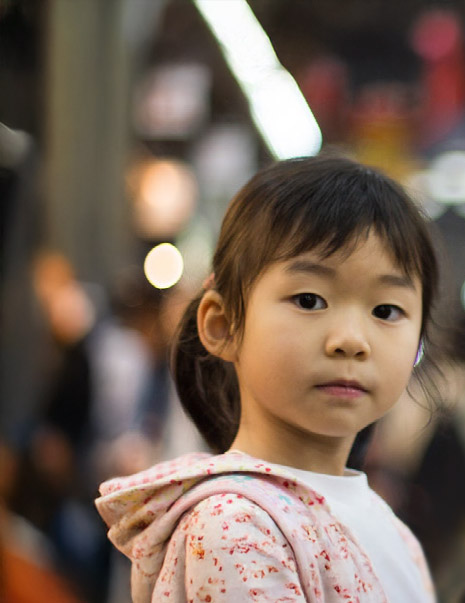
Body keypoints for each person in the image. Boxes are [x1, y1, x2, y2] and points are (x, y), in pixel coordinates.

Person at [95, 155, 441, 602]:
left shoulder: (396, 534)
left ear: (417, 343)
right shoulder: (233, 525)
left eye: (386, 311)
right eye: (310, 300)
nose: (352, 340)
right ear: (223, 325)